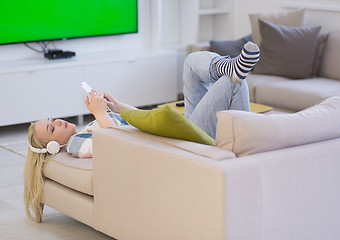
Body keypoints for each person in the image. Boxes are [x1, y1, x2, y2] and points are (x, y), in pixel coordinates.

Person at [24, 41, 260, 222]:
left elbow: (142, 121)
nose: (59, 122)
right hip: (185, 140)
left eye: (53, 119)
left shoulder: (89, 128)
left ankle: (225, 66)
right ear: (53, 146)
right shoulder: (77, 145)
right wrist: (100, 114)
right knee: (232, 84)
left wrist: (116, 107)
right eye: (52, 128)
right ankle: (247, 138)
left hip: (176, 131)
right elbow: (117, 144)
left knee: (190, 62)